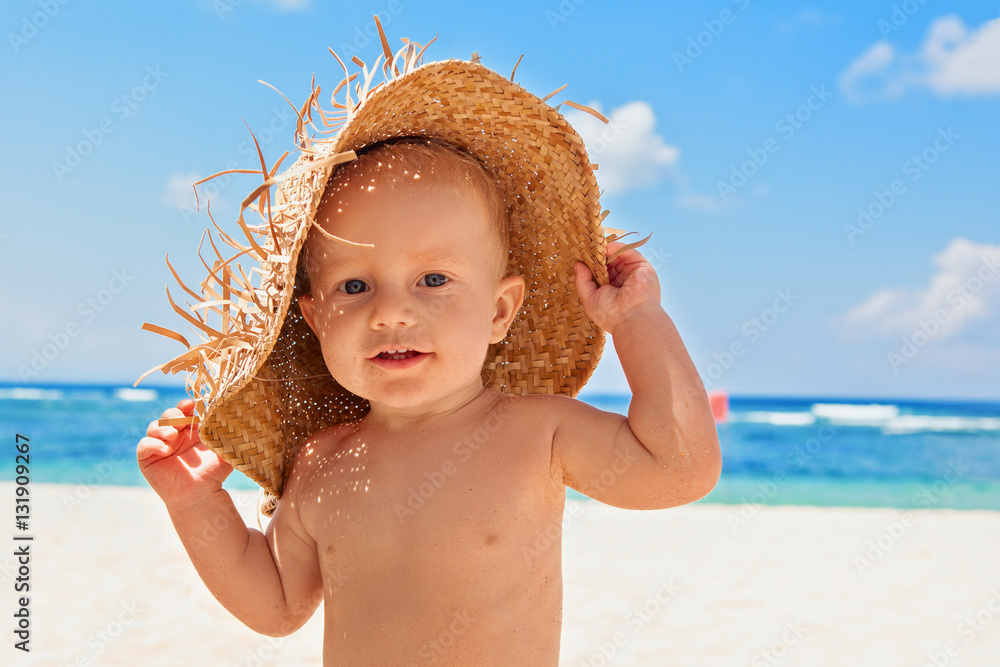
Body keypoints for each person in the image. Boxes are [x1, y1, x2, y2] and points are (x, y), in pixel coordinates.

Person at [136, 27, 720, 667]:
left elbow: (680, 468)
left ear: (500, 310)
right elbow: (275, 605)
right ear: (314, 317)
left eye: (433, 280)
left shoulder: (538, 433)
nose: (391, 312)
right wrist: (196, 505)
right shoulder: (321, 463)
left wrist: (638, 322)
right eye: (355, 286)